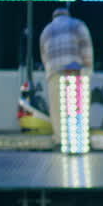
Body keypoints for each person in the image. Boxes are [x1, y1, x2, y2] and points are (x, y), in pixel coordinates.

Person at [38, 7, 94, 140]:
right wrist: (88, 70)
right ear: (68, 15)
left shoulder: (46, 31)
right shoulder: (77, 25)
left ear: (54, 17)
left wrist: (49, 73)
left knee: (57, 111)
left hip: (54, 74)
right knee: (78, 109)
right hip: (75, 72)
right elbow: (87, 48)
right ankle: (78, 140)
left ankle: (60, 140)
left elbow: (44, 56)